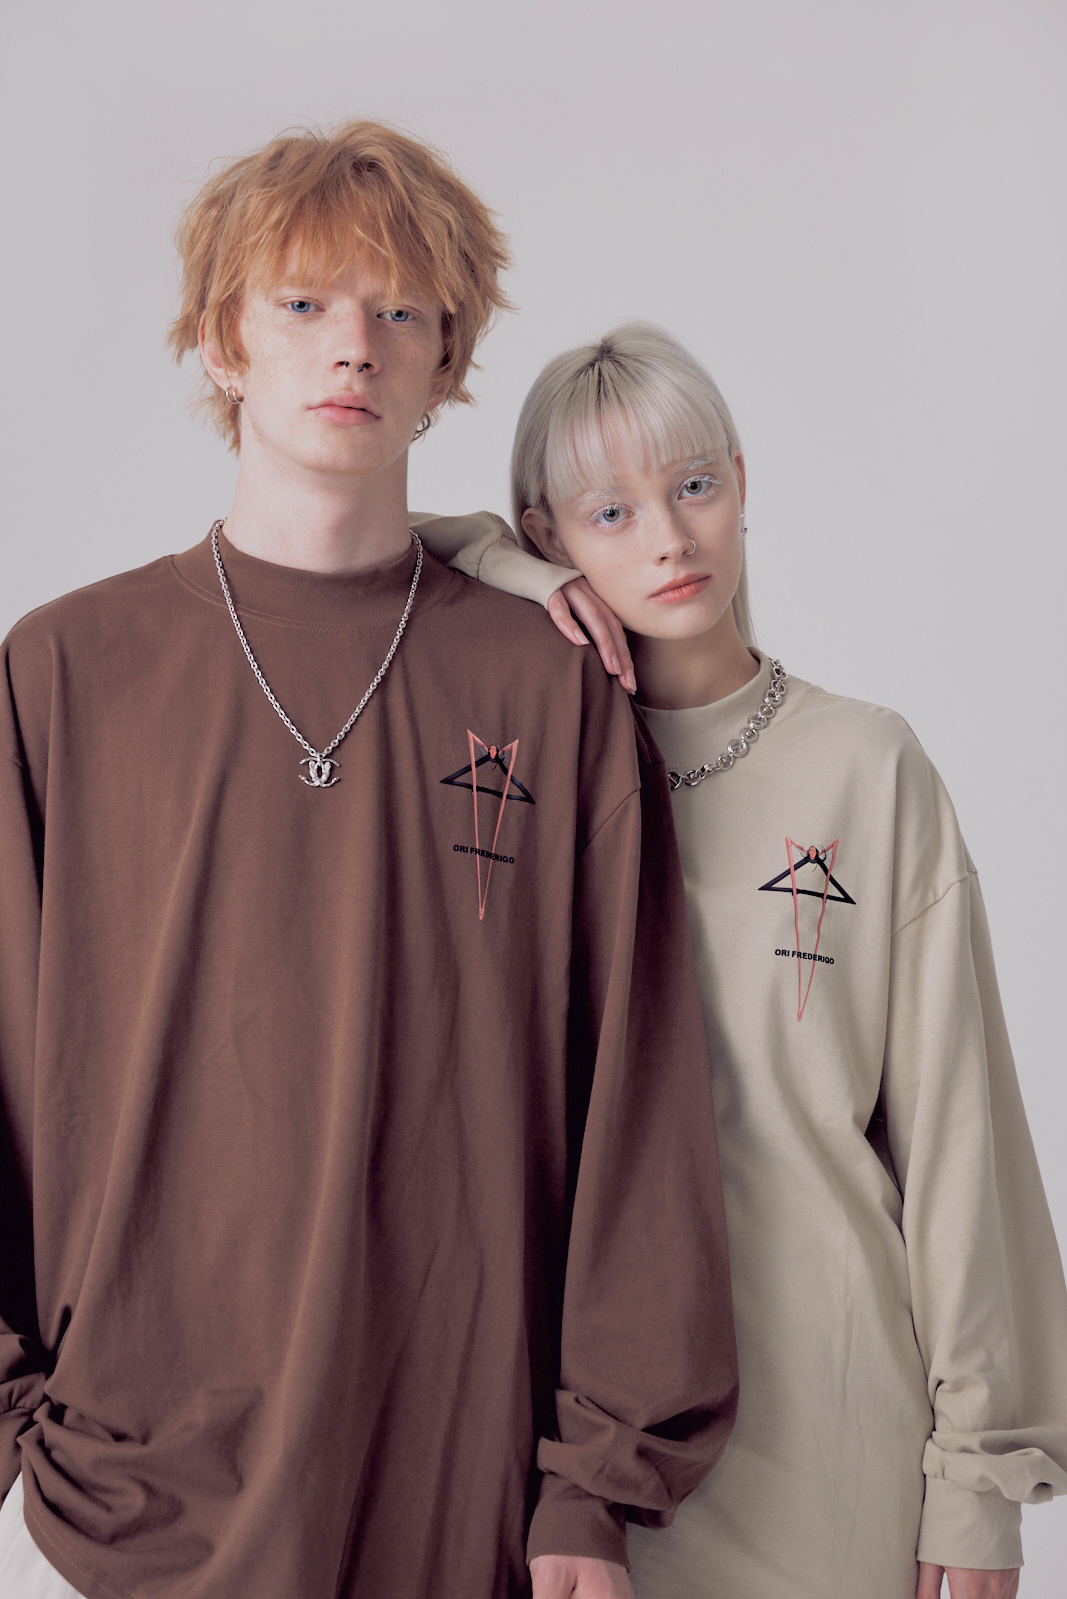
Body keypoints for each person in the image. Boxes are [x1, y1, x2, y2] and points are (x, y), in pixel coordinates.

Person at [0, 134, 739, 1599]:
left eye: (400, 311)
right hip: (121, 1499)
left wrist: (592, 1485)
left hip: (462, 1482)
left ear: (445, 358)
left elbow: (635, 1089)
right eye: (303, 305)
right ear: (221, 340)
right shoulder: (65, 670)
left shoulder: (547, 681)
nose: (354, 346)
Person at [448, 321, 1067, 1599]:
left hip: (825, 1432)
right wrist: (499, 568)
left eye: (692, 487)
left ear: (739, 482)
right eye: (609, 513)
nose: (668, 540)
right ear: (548, 538)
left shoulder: (865, 765)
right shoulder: (526, 784)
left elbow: (958, 1137)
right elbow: (356, 544)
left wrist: (978, 1477)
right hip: (570, 1459)